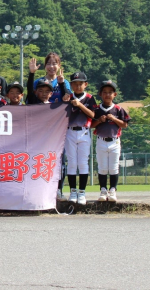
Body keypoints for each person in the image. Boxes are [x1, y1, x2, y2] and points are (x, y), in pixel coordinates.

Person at [28, 57, 68, 201]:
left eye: (54, 63)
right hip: (37, 134)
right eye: (49, 64)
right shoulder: (37, 83)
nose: (52, 66)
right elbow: (30, 95)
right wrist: (31, 73)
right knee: (37, 162)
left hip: (56, 132)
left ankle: (58, 190)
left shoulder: (63, 82)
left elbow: (66, 99)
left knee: (58, 162)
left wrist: (62, 84)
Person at [91, 80, 130, 202]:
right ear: (100, 94)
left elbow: (124, 125)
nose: (107, 95)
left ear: (115, 95)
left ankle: (113, 190)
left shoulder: (118, 109)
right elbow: (91, 124)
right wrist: (99, 120)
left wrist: (114, 119)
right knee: (102, 167)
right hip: (101, 140)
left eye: (110, 92)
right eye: (105, 92)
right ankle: (103, 190)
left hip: (114, 141)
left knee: (113, 168)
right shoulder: (97, 109)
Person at [64, 72, 97, 205]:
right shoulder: (68, 97)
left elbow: (93, 115)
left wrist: (79, 105)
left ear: (85, 84)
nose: (78, 86)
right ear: (71, 85)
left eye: (80, 84)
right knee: (71, 163)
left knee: (83, 163)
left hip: (84, 131)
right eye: (75, 84)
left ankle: (82, 192)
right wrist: (66, 102)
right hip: (70, 132)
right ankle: (73, 191)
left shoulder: (89, 98)